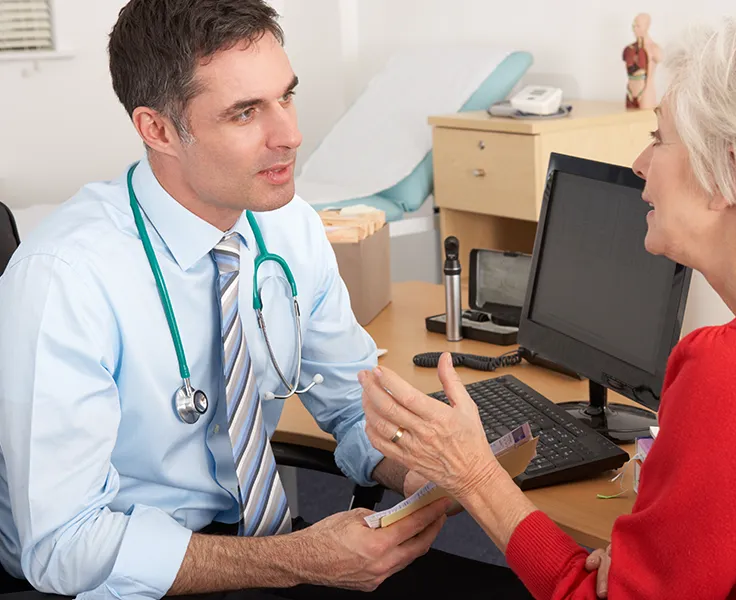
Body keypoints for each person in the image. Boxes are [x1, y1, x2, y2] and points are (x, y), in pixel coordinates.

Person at [358, 3, 736, 599]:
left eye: (659, 139)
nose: (638, 164)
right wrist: (654, 562)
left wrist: (476, 474)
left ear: (729, 176)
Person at [0, 1, 530, 598]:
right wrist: (298, 559)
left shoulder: (290, 228)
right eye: (245, 113)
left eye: (287, 96)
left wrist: (423, 476)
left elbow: (354, 406)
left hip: (267, 549)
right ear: (158, 129)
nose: (291, 135)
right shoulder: (65, 277)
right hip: (122, 580)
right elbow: (65, 546)